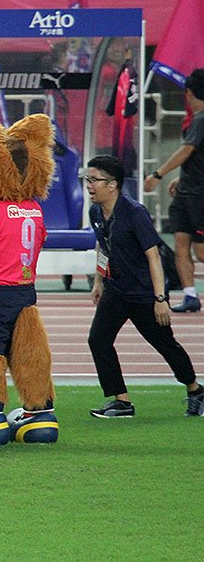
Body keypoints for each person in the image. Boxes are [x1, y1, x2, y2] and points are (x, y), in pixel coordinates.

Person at [86, 155, 204, 417]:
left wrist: (160, 299)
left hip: (144, 294)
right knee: (98, 340)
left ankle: (195, 389)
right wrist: (99, 281)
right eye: (88, 179)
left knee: (165, 344)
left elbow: (154, 257)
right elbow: (102, 245)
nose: (89, 185)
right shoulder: (95, 212)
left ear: (112, 184)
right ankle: (121, 401)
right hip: (116, 290)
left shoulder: (134, 213)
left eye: (95, 180)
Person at [144, 68, 204, 313]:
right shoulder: (195, 120)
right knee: (180, 242)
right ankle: (190, 295)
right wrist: (181, 178)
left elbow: (187, 150)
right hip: (185, 192)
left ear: (188, 93)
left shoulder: (201, 119)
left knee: (201, 252)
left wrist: (158, 174)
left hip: (199, 195)